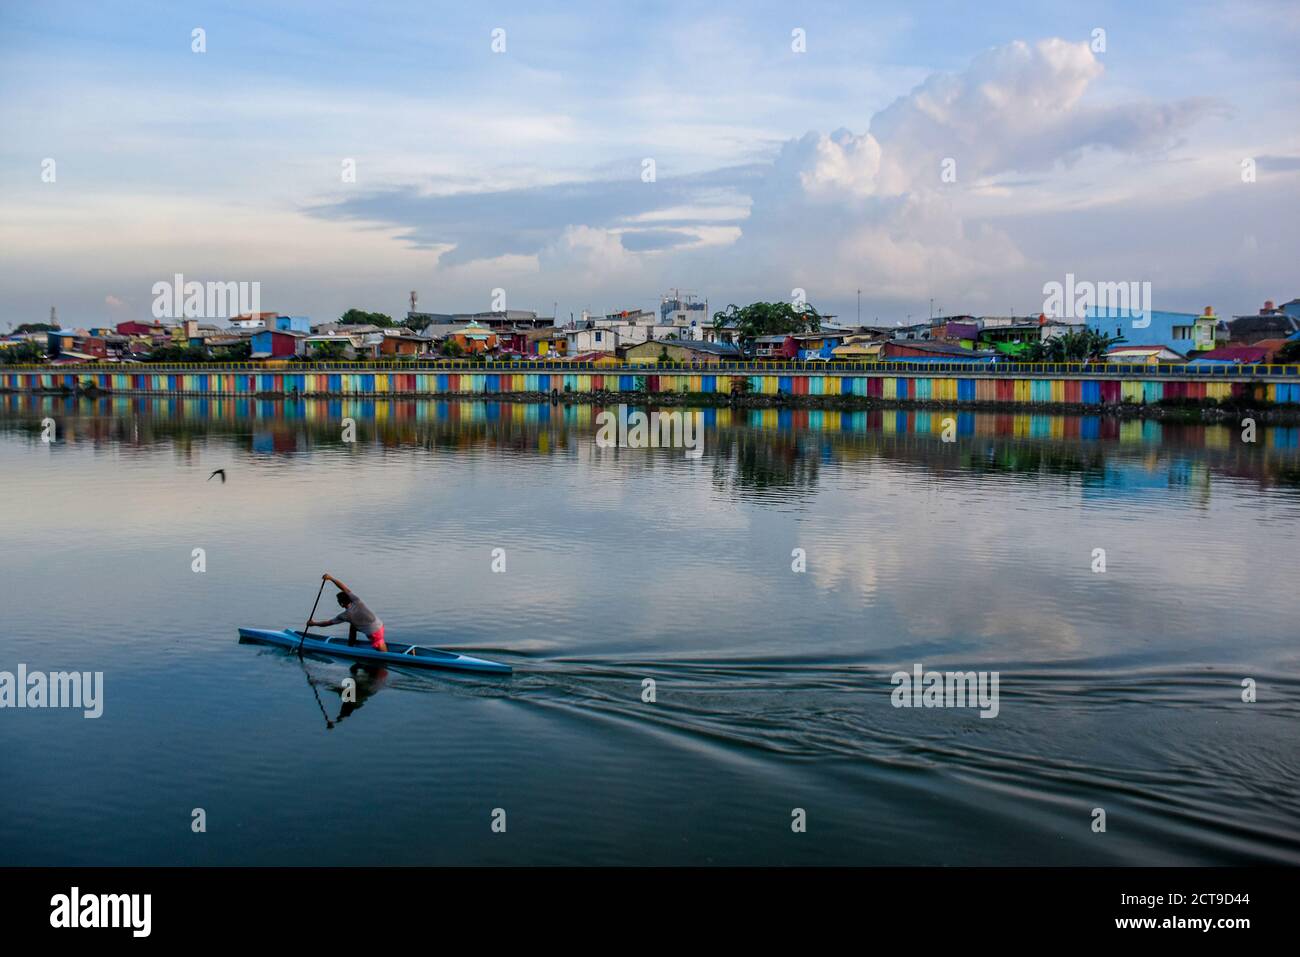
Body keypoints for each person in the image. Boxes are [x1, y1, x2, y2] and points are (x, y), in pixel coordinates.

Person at [308, 573, 387, 652]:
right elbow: (343, 588)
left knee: (383, 654)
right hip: (380, 625)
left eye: (338, 601)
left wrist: (313, 623)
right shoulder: (356, 600)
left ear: (342, 604)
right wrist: (331, 578)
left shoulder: (345, 615)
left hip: (374, 633)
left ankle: (387, 655)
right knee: (353, 627)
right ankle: (351, 646)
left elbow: (327, 623)